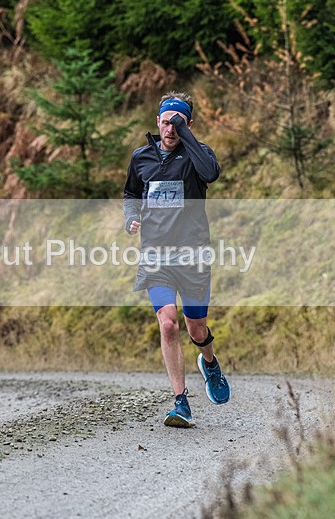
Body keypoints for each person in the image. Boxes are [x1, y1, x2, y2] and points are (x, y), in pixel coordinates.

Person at [123, 91, 230, 428]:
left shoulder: (198, 156)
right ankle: (180, 401)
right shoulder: (141, 157)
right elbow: (130, 193)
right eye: (166, 121)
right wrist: (130, 217)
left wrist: (187, 135)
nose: (170, 128)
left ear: (188, 124)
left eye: (178, 122)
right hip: (156, 255)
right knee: (167, 323)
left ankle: (209, 362)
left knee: (195, 328)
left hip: (193, 254)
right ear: (157, 121)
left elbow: (210, 174)